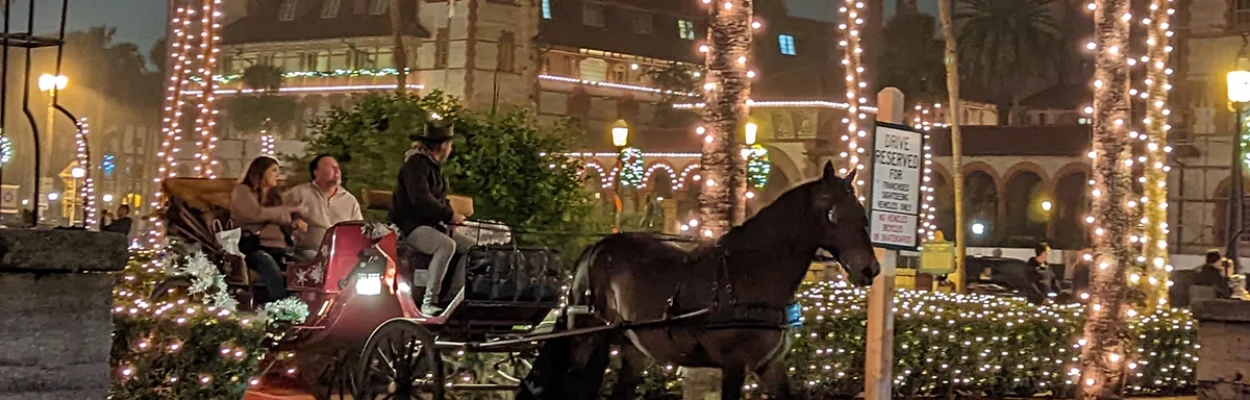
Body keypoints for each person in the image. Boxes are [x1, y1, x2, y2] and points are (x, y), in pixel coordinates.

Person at [390, 121, 476, 316]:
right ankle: (430, 301)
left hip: (432, 226)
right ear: (443, 146)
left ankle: (454, 297)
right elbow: (421, 199)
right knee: (445, 245)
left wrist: (450, 219)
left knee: (472, 249)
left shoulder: (432, 167)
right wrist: (449, 215)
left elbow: (440, 199)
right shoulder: (415, 165)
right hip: (410, 226)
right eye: (450, 144)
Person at [231, 157, 307, 301]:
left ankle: (300, 306)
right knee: (270, 267)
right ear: (261, 172)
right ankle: (280, 306)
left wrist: (295, 222)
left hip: (279, 247)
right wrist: (286, 210)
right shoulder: (242, 191)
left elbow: (283, 219)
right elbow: (255, 214)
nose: (277, 175)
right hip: (253, 246)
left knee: (302, 268)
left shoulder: (276, 196)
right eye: (273, 170)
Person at [284, 154, 363, 260]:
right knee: (319, 261)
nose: (337, 171)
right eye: (331, 167)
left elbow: (359, 229)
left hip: (342, 253)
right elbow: (279, 215)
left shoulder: (349, 200)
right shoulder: (299, 193)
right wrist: (294, 222)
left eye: (337, 167)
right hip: (309, 250)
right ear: (316, 172)